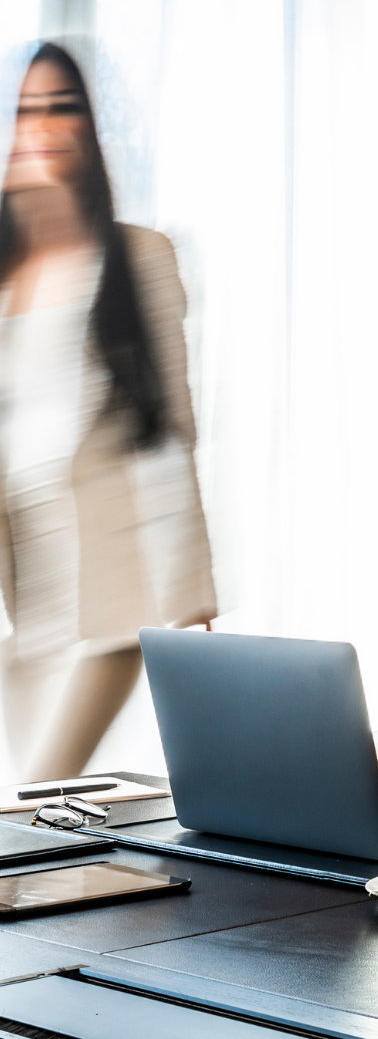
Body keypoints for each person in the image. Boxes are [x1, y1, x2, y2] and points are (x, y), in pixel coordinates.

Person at [0, 42, 216, 779]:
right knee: (27, 832)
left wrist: (191, 598)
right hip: (23, 610)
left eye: (65, 107)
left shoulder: (139, 257)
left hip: (110, 607)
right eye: (28, 109)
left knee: (32, 800)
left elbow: (171, 436)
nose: (46, 127)